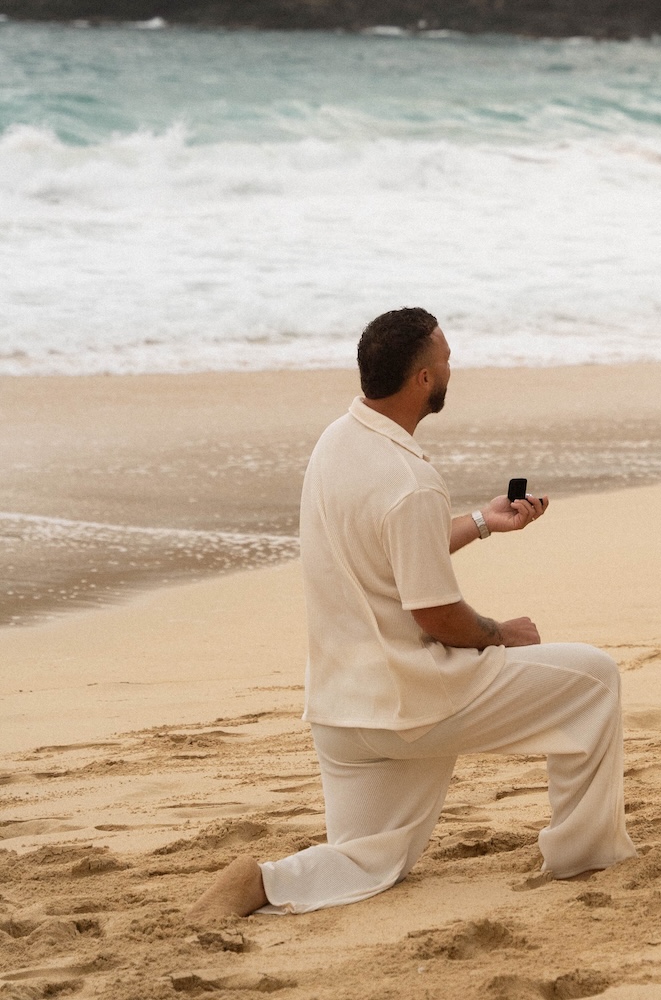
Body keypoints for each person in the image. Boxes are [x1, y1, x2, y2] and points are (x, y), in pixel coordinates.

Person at [189, 307, 635, 920]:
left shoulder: (337, 441)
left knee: (371, 856)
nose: (453, 366)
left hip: (342, 712)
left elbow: (387, 552)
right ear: (424, 379)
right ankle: (587, 857)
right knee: (593, 681)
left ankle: (264, 881)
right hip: (415, 704)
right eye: (447, 357)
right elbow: (436, 615)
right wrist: (503, 635)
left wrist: (481, 522)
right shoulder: (411, 480)